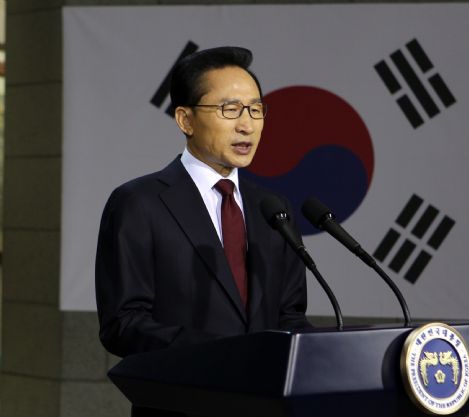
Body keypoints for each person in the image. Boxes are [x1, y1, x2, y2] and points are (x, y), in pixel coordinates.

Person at [95, 47, 310, 416]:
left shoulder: (272, 209)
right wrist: (222, 354)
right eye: (230, 110)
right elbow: (123, 323)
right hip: (182, 405)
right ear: (185, 119)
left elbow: (289, 315)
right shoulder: (138, 203)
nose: (247, 125)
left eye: (256, 109)